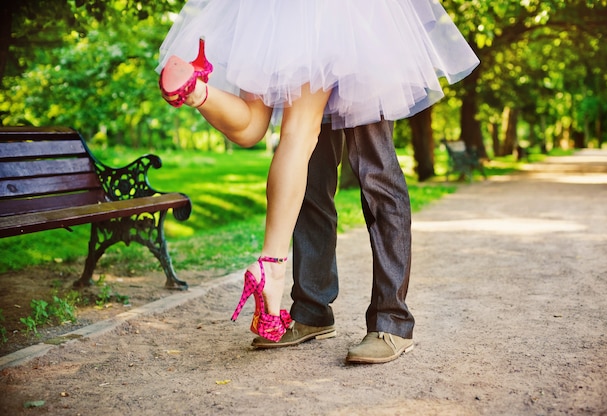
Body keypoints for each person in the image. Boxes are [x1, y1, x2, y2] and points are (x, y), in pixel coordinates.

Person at [156, 0, 479, 343]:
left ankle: (391, 322)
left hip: (310, 18)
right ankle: (311, 311)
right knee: (310, 166)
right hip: (335, 16)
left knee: (370, 169)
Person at [252, 120, 415, 364]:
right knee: (308, 175)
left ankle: (391, 320)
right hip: (314, 81)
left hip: (363, 81)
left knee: (375, 170)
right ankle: (312, 311)